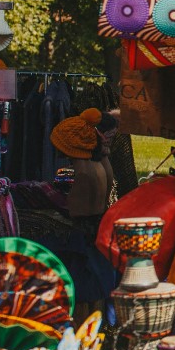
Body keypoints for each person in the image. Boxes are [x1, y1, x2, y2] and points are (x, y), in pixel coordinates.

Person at [51, 107, 119, 304]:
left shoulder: (84, 171)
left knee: (83, 291)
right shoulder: (98, 165)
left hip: (83, 235)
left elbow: (75, 209)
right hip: (94, 230)